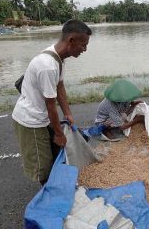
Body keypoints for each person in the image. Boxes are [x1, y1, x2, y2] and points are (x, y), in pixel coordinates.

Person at [12, 19, 92, 185]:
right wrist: (58, 133)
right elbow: (50, 105)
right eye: (83, 45)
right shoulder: (47, 65)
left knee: (56, 152)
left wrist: (68, 113)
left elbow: (60, 87)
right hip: (31, 120)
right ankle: (48, 197)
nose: (85, 49)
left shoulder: (59, 58)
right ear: (71, 40)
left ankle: (56, 185)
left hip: (43, 116)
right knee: (43, 167)